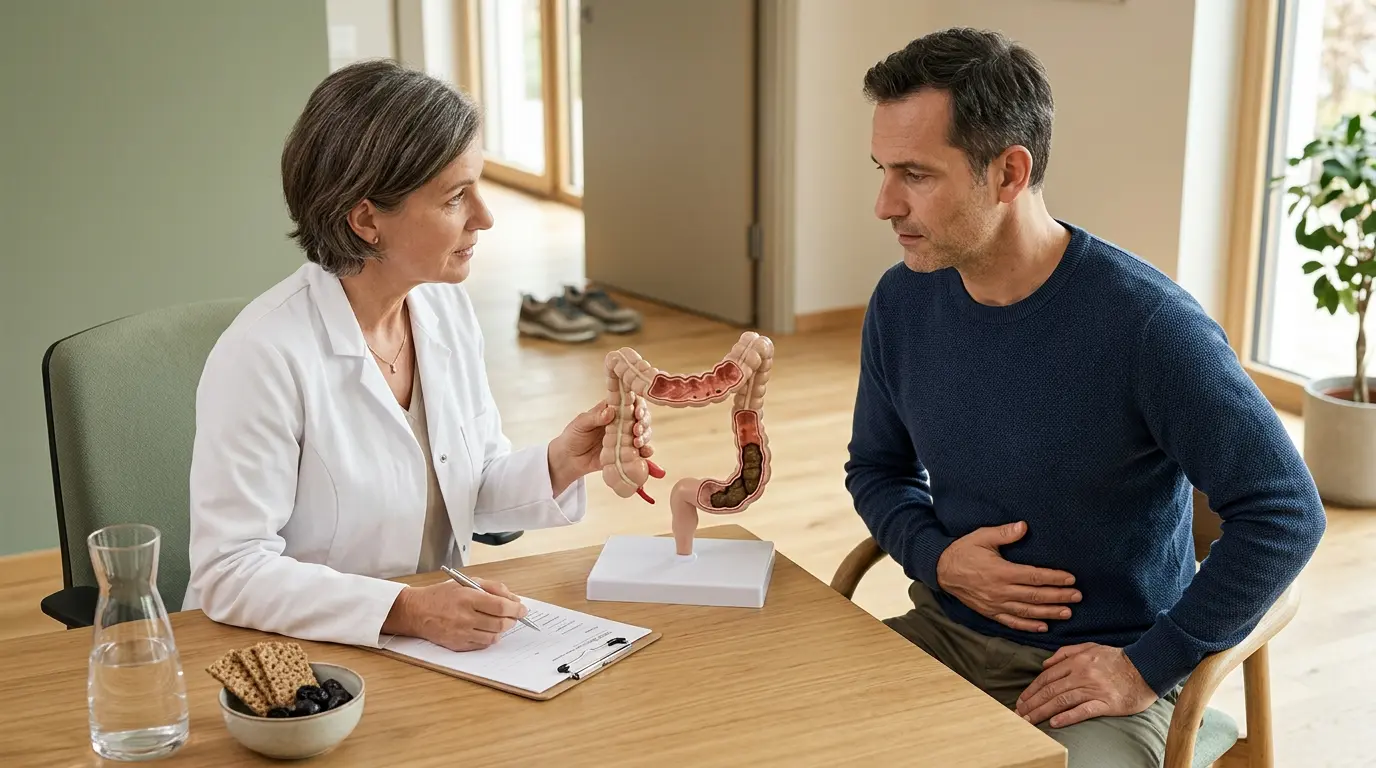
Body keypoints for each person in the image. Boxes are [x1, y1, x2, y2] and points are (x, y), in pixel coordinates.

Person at [844, 28, 1326, 766]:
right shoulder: (902, 302)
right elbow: (877, 470)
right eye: (881, 169)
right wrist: (937, 559)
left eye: (915, 173)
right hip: (944, 635)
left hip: (1104, 673)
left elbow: (1285, 511)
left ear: (1008, 173)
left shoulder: (1150, 328)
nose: (884, 203)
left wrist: (1149, 665)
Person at [183, 60, 652, 653]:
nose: (485, 217)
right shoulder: (262, 355)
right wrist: (409, 610)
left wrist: (562, 461)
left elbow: (468, 488)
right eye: (456, 197)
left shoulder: (444, 315)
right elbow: (230, 571)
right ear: (366, 219)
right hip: (299, 659)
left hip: (426, 647)